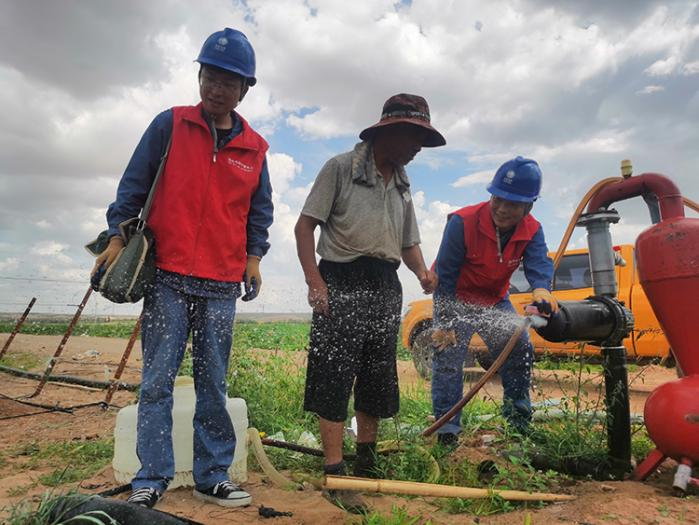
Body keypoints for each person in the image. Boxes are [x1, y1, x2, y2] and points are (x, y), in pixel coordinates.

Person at [92, 28, 273, 509]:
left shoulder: (255, 148)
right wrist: (116, 238)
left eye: (228, 82)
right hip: (168, 274)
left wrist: (253, 259)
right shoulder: (169, 125)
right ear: (199, 76)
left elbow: (260, 212)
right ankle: (151, 476)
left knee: (214, 382)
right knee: (157, 380)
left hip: (220, 283)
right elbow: (133, 185)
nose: (217, 89)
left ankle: (213, 474)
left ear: (244, 89)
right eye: (210, 77)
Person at [294, 93, 444, 513]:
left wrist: (421, 272)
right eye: (415, 138)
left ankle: (367, 461)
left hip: (384, 284)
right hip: (341, 278)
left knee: (377, 376)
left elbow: (408, 241)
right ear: (391, 132)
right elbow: (305, 227)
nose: (417, 149)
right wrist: (315, 282)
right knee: (334, 376)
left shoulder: (402, 183)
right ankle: (336, 472)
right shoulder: (341, 168)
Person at [430, 156, 557, 445]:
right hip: (454, 299)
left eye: (512, 204)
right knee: (448, 358)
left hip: (494, 300)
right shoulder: (462, 222)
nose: (501, 208)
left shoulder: (533, 229)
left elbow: (539, 263)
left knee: (519, 347)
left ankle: (517, 425)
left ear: (528, 206)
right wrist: (446, 322)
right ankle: (447, 433)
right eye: (497, 199)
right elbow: (446, 276)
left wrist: (542, 289)